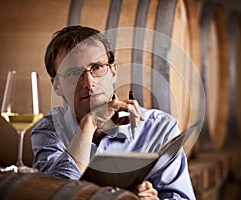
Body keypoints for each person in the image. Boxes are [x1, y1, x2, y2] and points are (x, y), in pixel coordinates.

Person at [31, 25, 195, 199]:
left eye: (97, 67)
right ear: (56, 86)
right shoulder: (49, 131)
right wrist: (90, 123)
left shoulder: (161, 128)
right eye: (74, 72)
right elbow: (55, 195)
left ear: (113, 71)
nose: (89, 81)